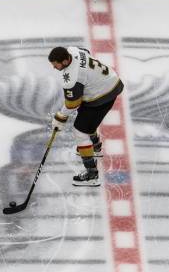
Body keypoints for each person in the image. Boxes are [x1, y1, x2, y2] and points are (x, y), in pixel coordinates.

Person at [48, 46, 124, 186]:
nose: (54, 68)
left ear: (65, 62)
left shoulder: (72, 78)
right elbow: (86, 52)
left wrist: (60, 117)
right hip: (111, 81)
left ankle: (91, 174)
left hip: (102, 95)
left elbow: (72, 104)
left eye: (56, 65)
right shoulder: (73, 50)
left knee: (80, 131)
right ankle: (95, 147)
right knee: (86, 119)